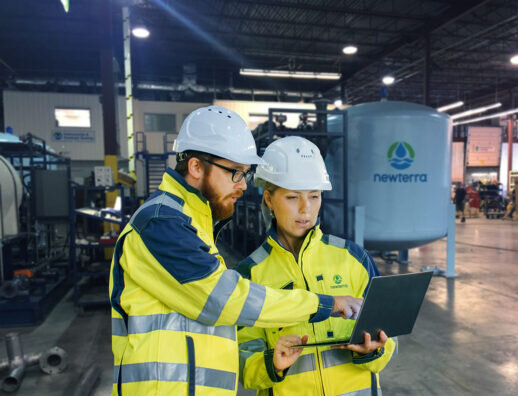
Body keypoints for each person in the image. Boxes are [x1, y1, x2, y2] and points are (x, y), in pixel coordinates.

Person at [109, 106, 362, 396]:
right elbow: (224, 299)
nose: (243, 185)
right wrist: (322, 304)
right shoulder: (161, 223)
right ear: (195, 167)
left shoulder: (192, 222)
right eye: (235, 173)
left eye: (245, 174)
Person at [237, 136, 396, 396]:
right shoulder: (250, 274)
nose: (305, 209)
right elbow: (243, 359)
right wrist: (272, 364)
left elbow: (391, 335)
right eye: (292, 197)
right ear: (268, 199)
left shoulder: (353, 258)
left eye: (314, 196)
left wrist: (375, 350)